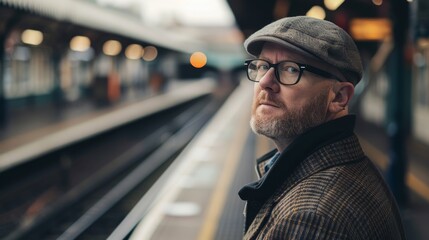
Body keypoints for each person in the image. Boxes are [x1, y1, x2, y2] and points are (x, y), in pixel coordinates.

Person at [238, 16, 406, 239]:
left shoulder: (309, 219)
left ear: (338, 97)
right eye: (262, 66)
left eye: (290, 69)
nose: (266, 82)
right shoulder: (350, 169)